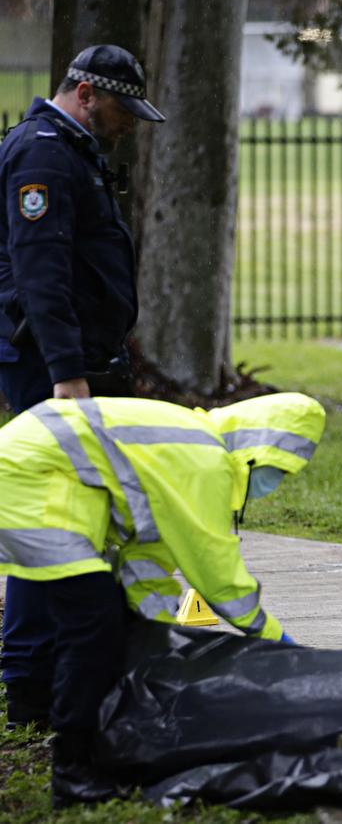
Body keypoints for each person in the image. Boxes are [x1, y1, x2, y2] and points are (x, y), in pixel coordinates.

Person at [0, 390, 325, 805]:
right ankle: (74, 768)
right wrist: (276, 640)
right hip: (34, 483)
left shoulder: (183, 444)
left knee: (102, 619)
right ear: (261, 448)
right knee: (92, 628)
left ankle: (98, 735)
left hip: (34, 473)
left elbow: (148, 559)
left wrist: (158, 631)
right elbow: (216, 569)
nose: (276, 482)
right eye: (280, 469)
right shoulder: (203, 460)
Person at [0, 43, 165, 728]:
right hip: (46, 363)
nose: (127, 123)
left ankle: (53, 665)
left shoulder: (72, 150)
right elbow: (42, 277)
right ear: (87, 95)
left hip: (74, 358)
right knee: (52, 518)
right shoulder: (42, 155)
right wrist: (69, 376)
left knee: (71, 512)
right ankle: (31, 677)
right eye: (121, 109)